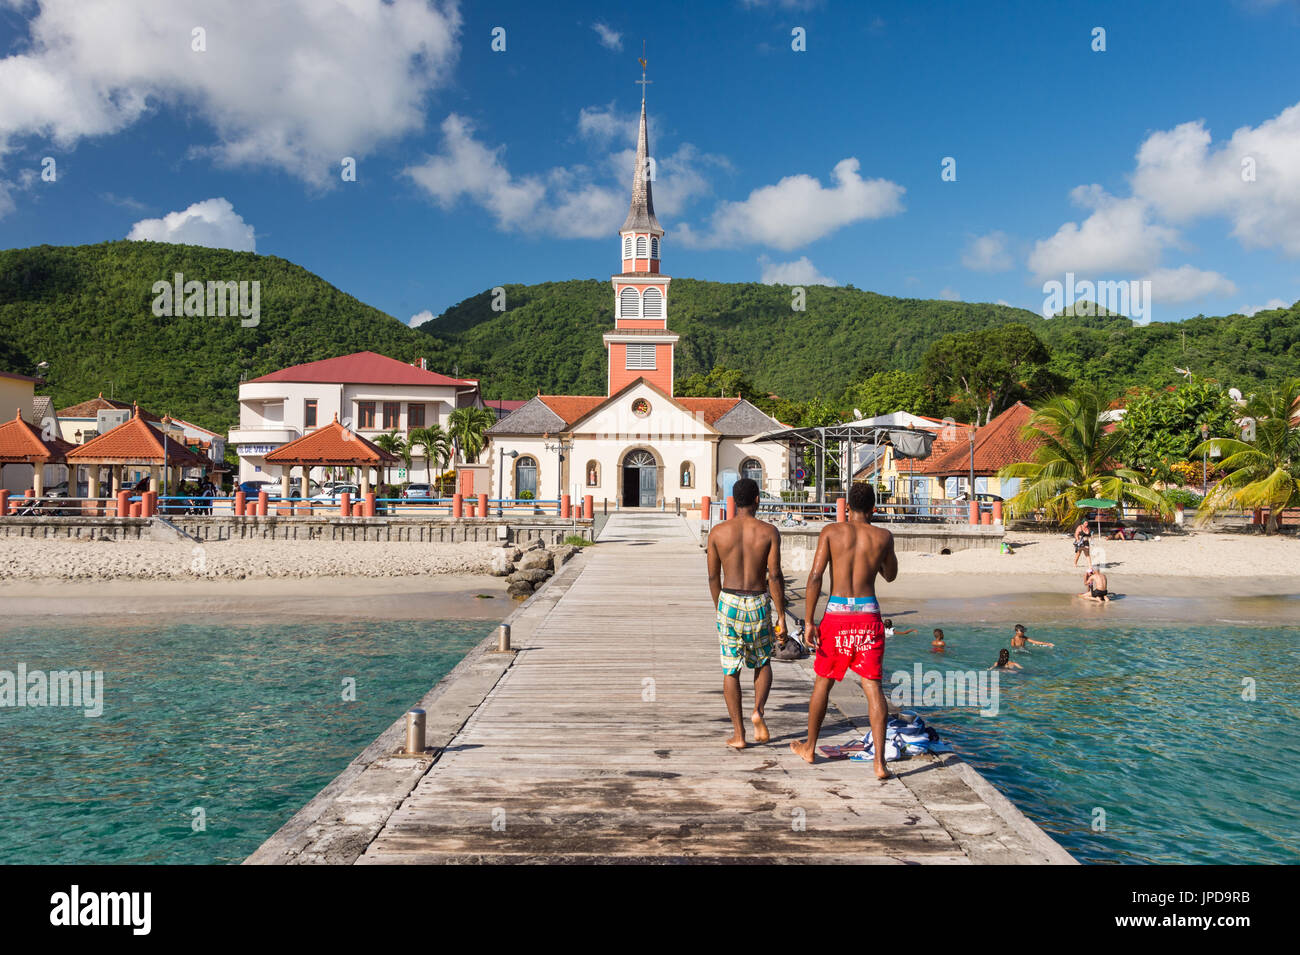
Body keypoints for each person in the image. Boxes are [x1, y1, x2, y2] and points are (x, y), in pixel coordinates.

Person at [790, 482, 897, 779]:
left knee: (823, 683)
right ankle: (879, 763)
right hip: (867, 615)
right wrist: (877, 555)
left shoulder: (831, 532)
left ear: (846, 507)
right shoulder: (883, 536)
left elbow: (815, 577)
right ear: (874, 508)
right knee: (873, 686)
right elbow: (890, 575)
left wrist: (809, 621)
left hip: (836, 615)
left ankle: (810, 748)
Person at [706, 477, 785, 749]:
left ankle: (738, 735)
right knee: (763, 662)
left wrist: (721, 607)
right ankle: (758, 712)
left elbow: (713, 577)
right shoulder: (769, 532)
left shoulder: (717, 533)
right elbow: (774, 576)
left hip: (728, 599)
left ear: (733, 501)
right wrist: (782, 616)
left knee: (731, 669)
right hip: (757, 600)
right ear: (757, 500)